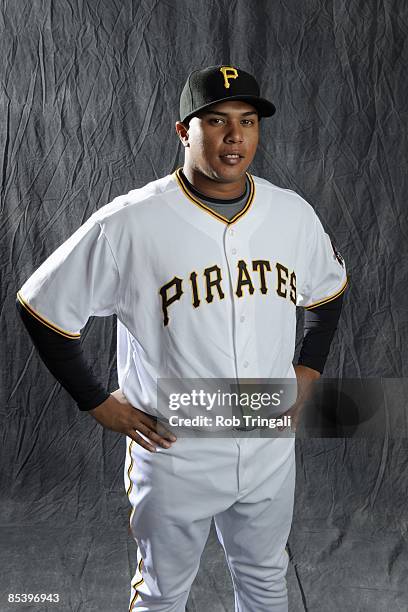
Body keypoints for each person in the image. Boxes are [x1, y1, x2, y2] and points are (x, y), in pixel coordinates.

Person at [17, 65, 347, 611]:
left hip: (267, 443)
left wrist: (309, 367)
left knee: (266, 583)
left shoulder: (292, 213)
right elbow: (41, 305)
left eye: (247, 121)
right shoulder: (131, 222)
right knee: (164, 595)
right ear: (183, 131)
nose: (234, 136)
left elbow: (329, 290)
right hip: (174, 448)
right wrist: (97, 402)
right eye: (215, 120)